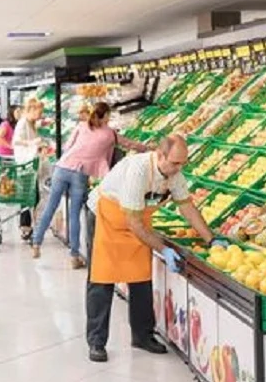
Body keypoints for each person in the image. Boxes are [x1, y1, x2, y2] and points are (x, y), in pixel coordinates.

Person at [84, 135, 223, 363]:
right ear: (160, 155)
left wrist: (211, 239)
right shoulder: (138, 171)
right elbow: (133, 223)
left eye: (183, 163)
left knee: (141, 278)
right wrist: (163, 249)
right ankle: (97, 342)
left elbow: (186, 207)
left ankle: (142, 336)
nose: (179, 168)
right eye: (175, 163)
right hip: (106, 219)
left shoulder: (175, 175)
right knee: (101, 280)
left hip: (136, 221)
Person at [30, 102, 145, 268]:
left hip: (62, 167)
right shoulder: (110, 134)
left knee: (50, 206)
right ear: (105, 116)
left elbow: (68, 146)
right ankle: (74, 257)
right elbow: (130, 145)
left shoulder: (82, 125)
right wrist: (149, 148)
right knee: (74, 214)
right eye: (109, 115)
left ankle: (36, 244)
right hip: (79, 173)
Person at [13, 98, 44, 240]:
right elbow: (16, 141)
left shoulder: (31, 123)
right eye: (39, 111)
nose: (41, 114)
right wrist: (32, 143)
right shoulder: (22, 123)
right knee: (29, 196)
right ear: (31, 109)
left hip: (31, 164)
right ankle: (26, 227)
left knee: (32, 196)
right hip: (25, 165)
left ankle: (28, 226)